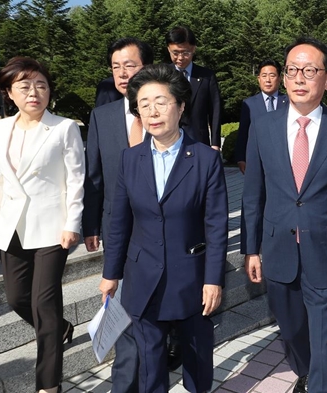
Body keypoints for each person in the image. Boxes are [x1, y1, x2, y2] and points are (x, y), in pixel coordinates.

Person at [241, 37, 327, 393]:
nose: (299, 78)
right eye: (292, 70)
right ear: (284, 78)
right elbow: (253, 193)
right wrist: (251, 249)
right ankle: (305, 371)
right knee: (294, 329)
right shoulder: (262, 127)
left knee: (326, 341)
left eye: (310, 70)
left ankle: (322, 382)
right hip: (277, 249)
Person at [99, 63, 228, 393]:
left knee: (197, 361)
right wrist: (110, 273)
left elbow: (215, 225)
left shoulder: (204, 159)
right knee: (149, 365)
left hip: (191, 279)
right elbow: (119, 222)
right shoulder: (131, 160)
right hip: (143, 281)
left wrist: (213, 279)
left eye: (161, 101)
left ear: (181, 106)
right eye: (144, 104)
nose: (152, 111)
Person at [0, 56, 85, 393]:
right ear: (9, 93)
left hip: (52, 228)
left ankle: (48, 385)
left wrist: (72, 223)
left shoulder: (64, 127)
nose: (34, 93)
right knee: (16, 299)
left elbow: (76, 179)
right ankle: (62, 328)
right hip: (11, 228)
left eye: (41, 85)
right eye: (24, 86)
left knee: (44, 304)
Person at [82, 37, 154, 393]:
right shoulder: (102, 116)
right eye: (116, 67)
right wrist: (90, 224)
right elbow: (93, 176)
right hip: (117, 230)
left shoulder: (164, 110)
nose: (123, 73)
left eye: (131, 65)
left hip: (159, 232)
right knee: (122, 309)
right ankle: (125, 384)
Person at [166, 26, 222, 150]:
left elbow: (215, 111)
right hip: (167, 140)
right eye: (175, 53)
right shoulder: (162, 74)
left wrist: (215, 143)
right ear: (168, 49)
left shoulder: (206, 76)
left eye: (185, 53)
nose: (180, 58)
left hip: (198, 140)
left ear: (193, 49)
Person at [235, 59, 289, 173]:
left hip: (284, 159)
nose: (268, 80)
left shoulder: (289, 102)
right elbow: (243, 132)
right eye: (264, 76)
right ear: (258, 79)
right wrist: (241, 158)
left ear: (279, 78)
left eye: (272, 75)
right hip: (257, 159)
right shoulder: (249, 104)